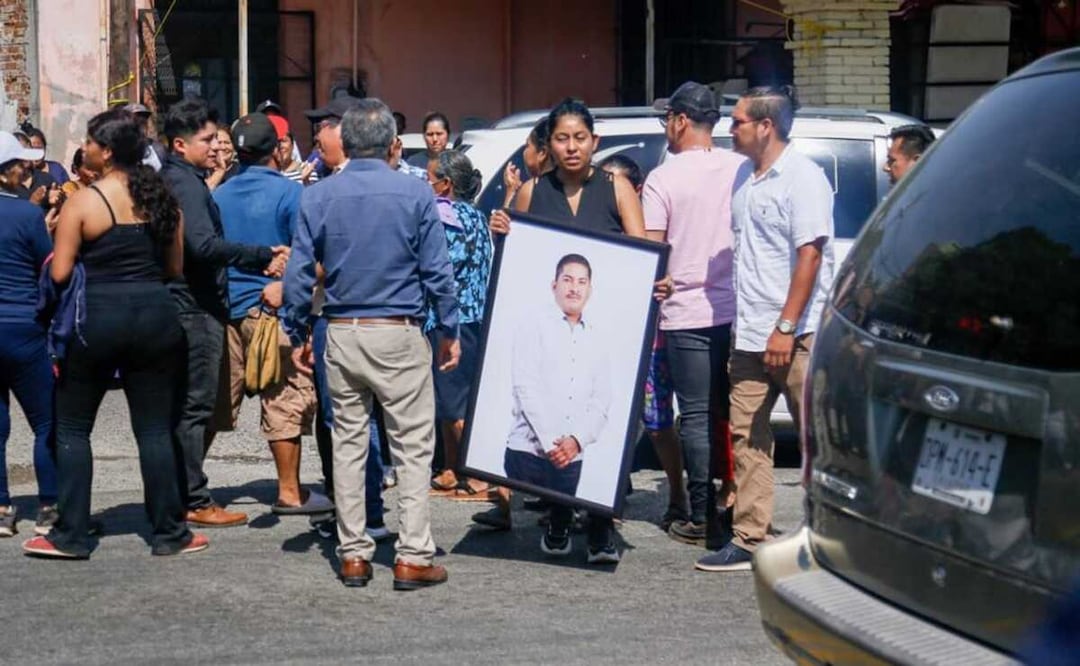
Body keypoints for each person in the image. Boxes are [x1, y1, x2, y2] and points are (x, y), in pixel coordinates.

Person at [284, 98, 460, 590]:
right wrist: (450, 329)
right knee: (412, 446)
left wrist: (297, 331)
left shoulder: (318, 197)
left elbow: (300, 272)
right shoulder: (415, 193)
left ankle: (354, 554)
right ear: (392, 145)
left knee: (349, 443)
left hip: (341, 330)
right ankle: (412, 555)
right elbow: (437, 271)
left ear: (345, 141)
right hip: (399, 330)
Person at [489, 98, 672, 564]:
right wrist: (502, 227)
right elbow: (518, 259)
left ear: (595, 140)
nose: (571, 147)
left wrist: (657, 278)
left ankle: (599, 524)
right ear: (548, 144)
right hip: (550, 327)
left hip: (604, 326)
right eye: (561, 138)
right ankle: (555, 513)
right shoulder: (532, 190)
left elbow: (638, 252)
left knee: (602, 418)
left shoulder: (617, 188)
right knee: (548, 409)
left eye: (580, 137)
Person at [21, 109, 208, 559]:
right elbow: (175, 268)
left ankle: (70, 534)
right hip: (156, 316)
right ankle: (169, 532)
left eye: (89, 142)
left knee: (72, 426)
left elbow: (61, 271)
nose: (84, 149)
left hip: (97, 319)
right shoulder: (163, 198)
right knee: (154, 429)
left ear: (105, 152)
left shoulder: (85, 202)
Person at [695, 86, 834, 572]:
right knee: (748, 438)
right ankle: (750, 537)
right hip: (750, 334)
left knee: (817, 441)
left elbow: (810, 255)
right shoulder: (744, 178)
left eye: (736, 121)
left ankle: (826, 541)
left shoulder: (803, 178)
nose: (728, 129)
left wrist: (786, 327)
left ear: (765, 126)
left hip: (795, 336)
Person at [161, 98, 287, 528]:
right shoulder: (188, 186)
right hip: (196, 307)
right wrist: (262, 256)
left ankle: (180, 492)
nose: (217, 146)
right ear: (180, 144)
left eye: (218, 137)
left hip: (192, 304)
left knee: (191, 407)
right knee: (196, 407)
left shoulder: (186, 180)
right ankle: (193, 499)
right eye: (207, 139)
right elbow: (203, 246)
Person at [644, 81, 746, 548]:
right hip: (738, 310)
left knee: (698, 416)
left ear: (681, 120)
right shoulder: (741, 168)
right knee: (735, 411)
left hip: (684, 311)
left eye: (668, 117)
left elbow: (651, 250)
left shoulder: (663, 177)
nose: (667, 125)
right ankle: (735, 500)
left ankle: (702, 515)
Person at [212, 112, 330, 518]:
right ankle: (289, 491)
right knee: (285, 399)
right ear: (276, 150)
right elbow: (309, 252)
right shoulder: (291, 194)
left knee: (215, 405)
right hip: (273, 311)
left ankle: (190, 489)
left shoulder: (218, 195)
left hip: (226, 310)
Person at [299, 95, 393, 542]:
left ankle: (363, 517)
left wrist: (291, 300)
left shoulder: (333, 191)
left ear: (347, 133)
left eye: (325, 127)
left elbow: (330, 259)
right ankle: (358, 511)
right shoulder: (319, 183)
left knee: (352, 422)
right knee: (350, 422)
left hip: (345, 317)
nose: (318, 136)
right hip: (346, 317)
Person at [597, 153, 688, 533]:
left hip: (647, 340)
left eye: (616, 186)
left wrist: (662, 282)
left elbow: (662, 277)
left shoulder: (648, 232)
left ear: (634, 190)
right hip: (605, 338)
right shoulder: (595, 226)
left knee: (657, 423)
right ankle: (604, 497)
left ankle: (678, 494)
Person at [503, 253, 612, 532]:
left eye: (581, 282)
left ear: (590, 289)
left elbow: (602, 401)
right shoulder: (533, 325)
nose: (574, 288)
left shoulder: (598, 337)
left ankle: (573, 521)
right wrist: (554, 443)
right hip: (529, 455)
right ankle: (557, 514)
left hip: (574, 455)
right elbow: (525, 388)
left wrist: (576, 441)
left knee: (602, 479)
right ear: (554, 286)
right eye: (567, 280)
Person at [424, 150, 493, 501]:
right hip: (475, 317)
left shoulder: (446, 216)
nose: (426, 184)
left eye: (429, 179)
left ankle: (478, 478)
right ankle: (453, 468)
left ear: (446, 185)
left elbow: (441, 269)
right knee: (453, 399)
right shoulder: (477, 216)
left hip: (453, 320)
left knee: (454, 404)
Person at [0, 132, 59, 539]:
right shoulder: (27, 215)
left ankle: (2, 506)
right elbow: (50, 270)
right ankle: (50, 503)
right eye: (19, 163)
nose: (28, 168)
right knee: (46, 420)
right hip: (23, 325)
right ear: (4, 174)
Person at [501, 118, 551, 208]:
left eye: (528, 145)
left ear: (542, 153)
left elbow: (509, 221)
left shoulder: (531, 191)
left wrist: (511, 192)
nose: (524, 152)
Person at [124, 103, 167, 171]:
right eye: (135, 121)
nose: (140, 125)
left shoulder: (158, 149)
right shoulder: (118, 151)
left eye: (143, 120)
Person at [205, 124, 240, 191]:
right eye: (219, 142)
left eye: (227, 143)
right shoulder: (204, 171)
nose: (223, 147)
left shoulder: (241, 171)